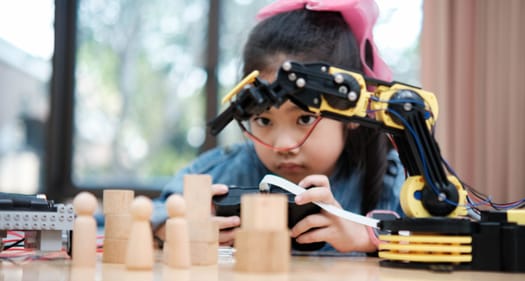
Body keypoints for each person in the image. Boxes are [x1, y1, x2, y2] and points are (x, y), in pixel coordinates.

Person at [151, 0, 405, 256]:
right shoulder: (226, 171)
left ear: (352, 112)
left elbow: (439, 237)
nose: (282, 145)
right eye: (263, 120)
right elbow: (150, 213)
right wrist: (172, 229)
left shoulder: (392, 180)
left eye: (304, 119)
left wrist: (368, 237)